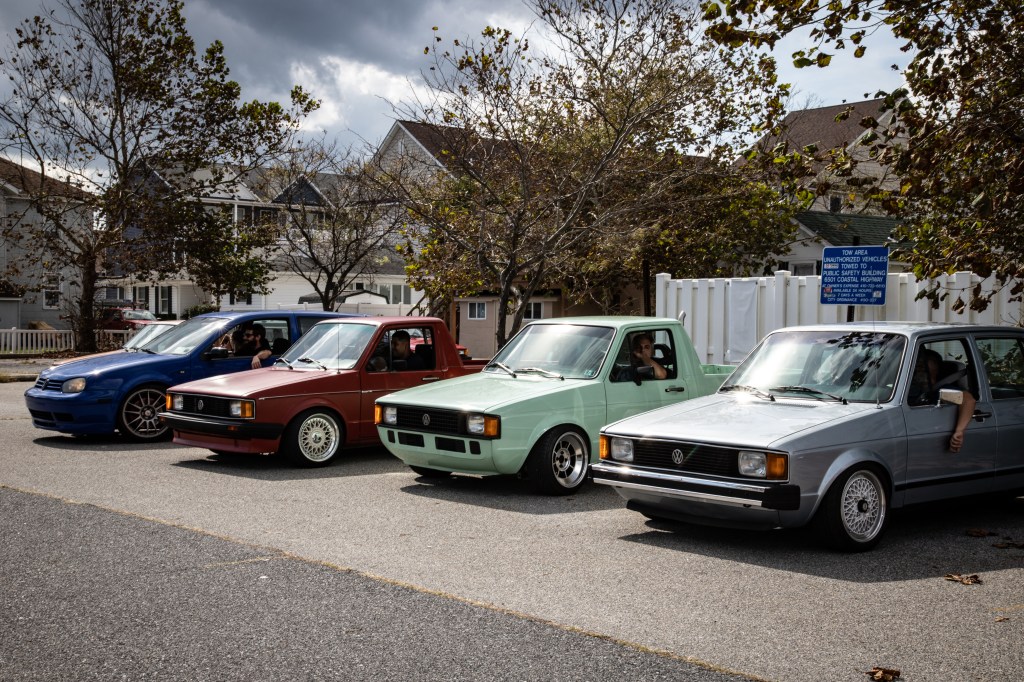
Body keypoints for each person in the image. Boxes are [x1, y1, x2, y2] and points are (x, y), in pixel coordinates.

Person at [910, 348, 977, 453]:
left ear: (935, 370)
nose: (918, 372)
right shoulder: (910, 389)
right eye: (917, 368)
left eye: (922, 368)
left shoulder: (940, 391)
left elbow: (968, 401)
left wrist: (959, 431)